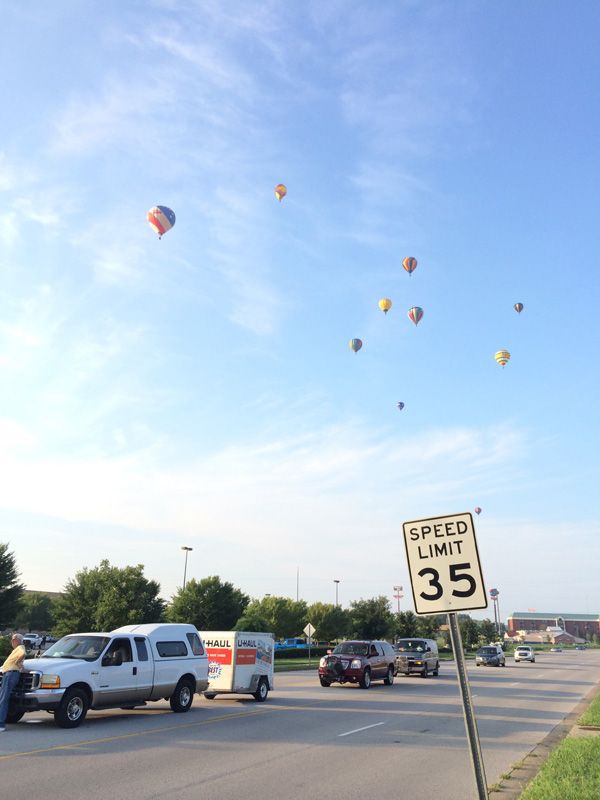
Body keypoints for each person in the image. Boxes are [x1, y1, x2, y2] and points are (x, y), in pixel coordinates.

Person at [0, 634, 26, 732]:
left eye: (13, 639)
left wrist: (17, 662)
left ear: (19, 640)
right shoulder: (15, 650)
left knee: (3, 699)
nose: (12, 642)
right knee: (2, 698)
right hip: (8, 675)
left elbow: (22, 654)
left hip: (10, 675)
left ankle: (1, 724)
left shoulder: (20, 647)